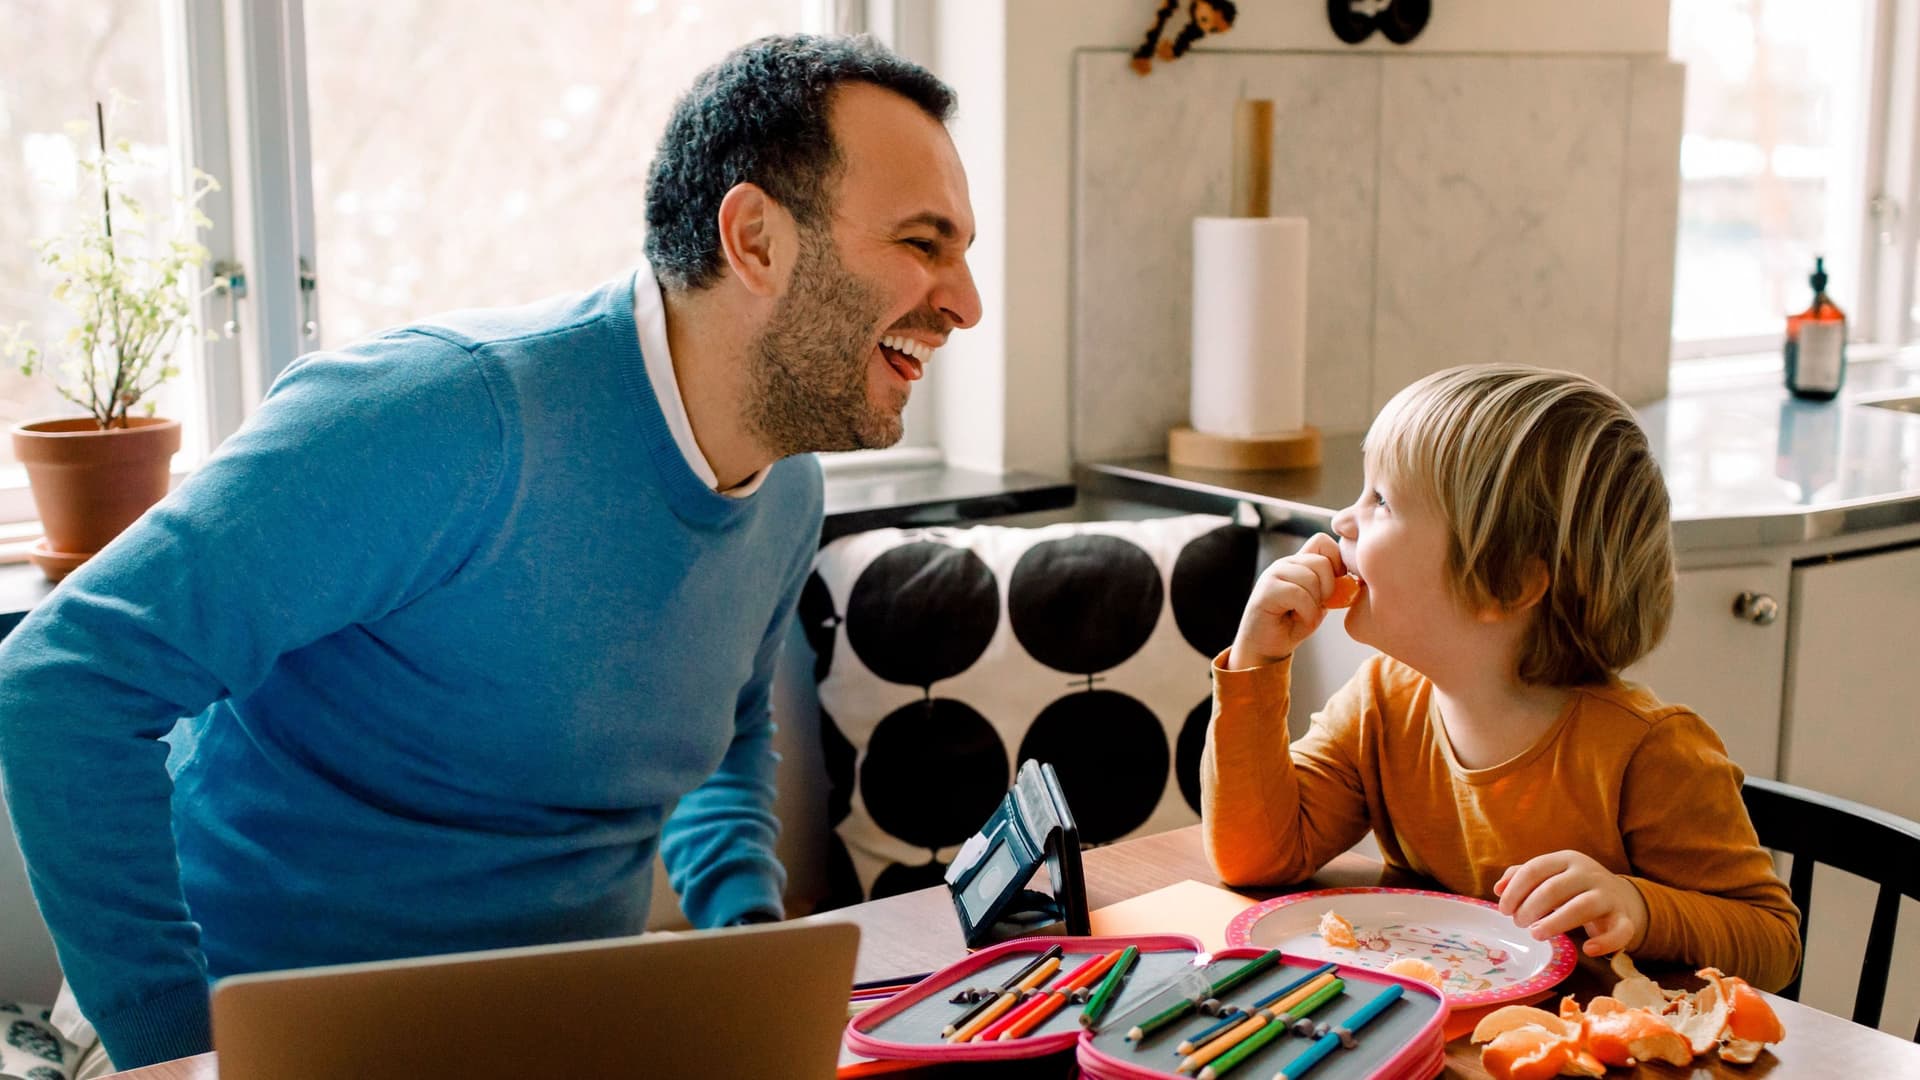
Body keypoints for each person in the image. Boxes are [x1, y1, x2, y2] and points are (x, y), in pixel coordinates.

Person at [0, 33, 980, 1073]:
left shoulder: (785, 487)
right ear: (756, 241)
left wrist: (747, 947)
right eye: (924, 244)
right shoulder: (439, 417)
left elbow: (726, 732)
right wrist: (176, 1047)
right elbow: (62, 681)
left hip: (558, 1031)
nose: (966, 302)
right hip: (264, 1044)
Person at [1200, 364, 1801, 991]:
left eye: (1381, 501)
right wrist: (1256, 663)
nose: (1343, 521)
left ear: (1506, 583)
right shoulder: (1380, 703)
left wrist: (1640, 907)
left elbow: (1773, 942)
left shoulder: (1650, 753)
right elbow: (1257, 858)